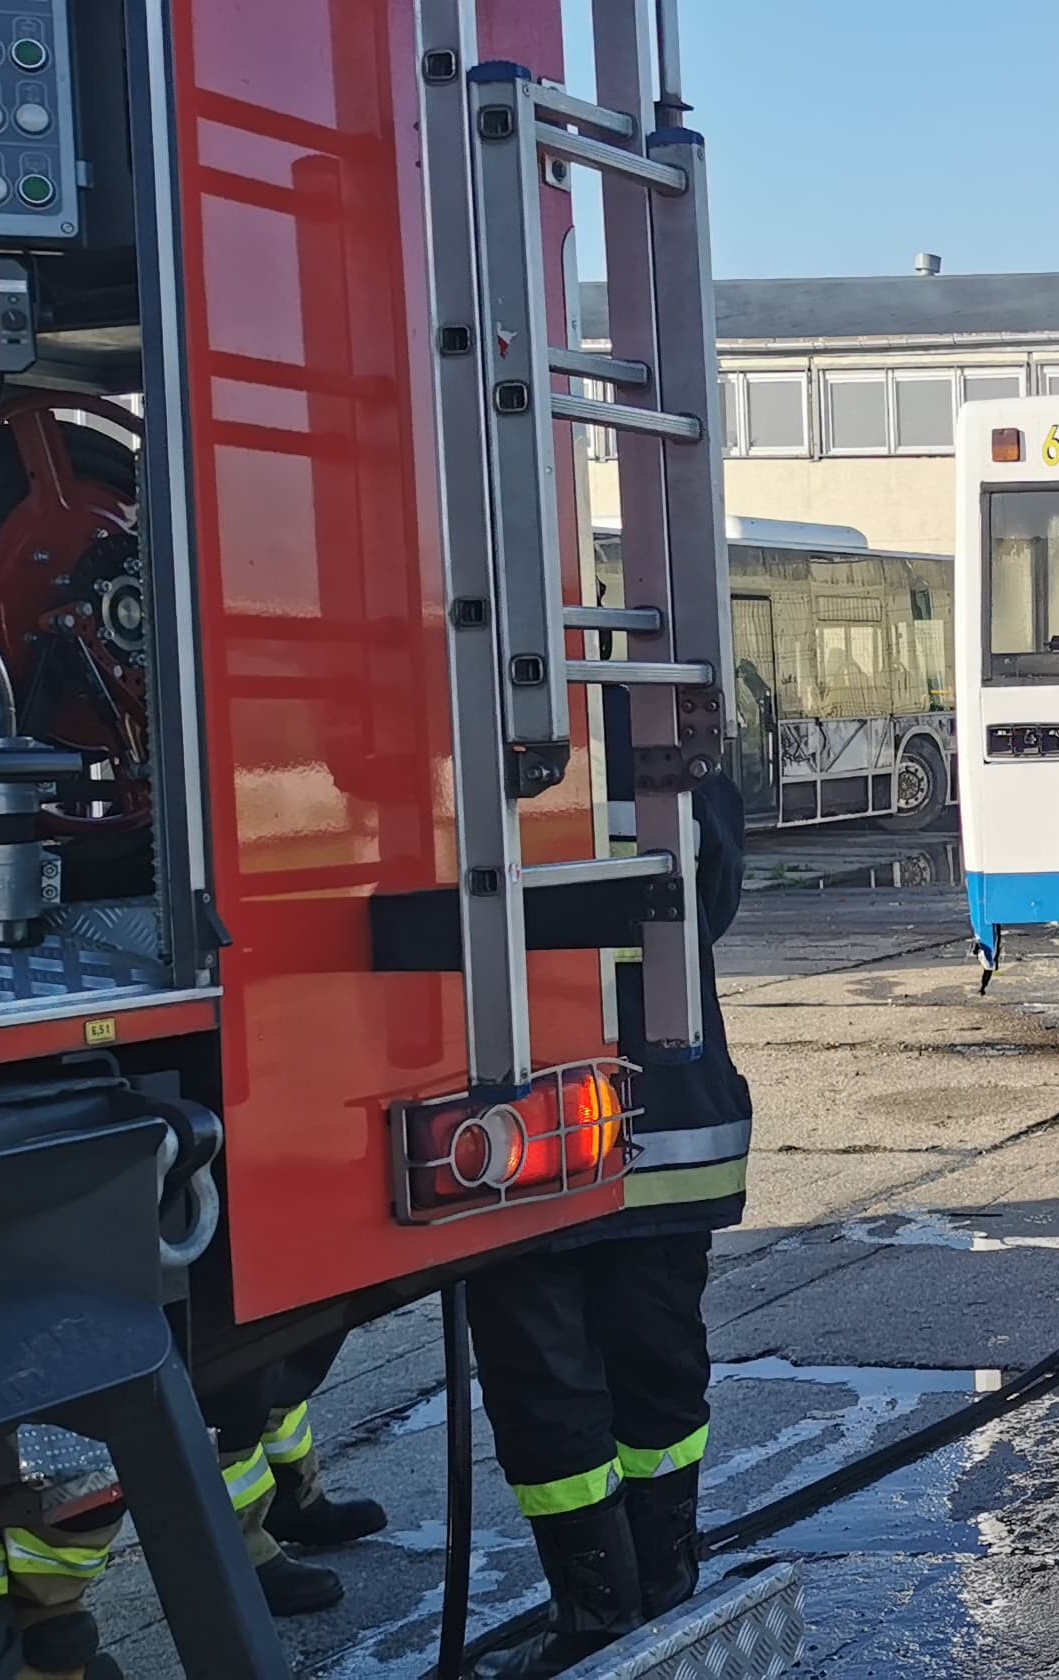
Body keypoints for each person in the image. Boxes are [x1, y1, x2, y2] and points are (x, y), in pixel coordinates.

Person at [464, 697, 754, 1678]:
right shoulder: (660, 718)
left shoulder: (459, 723)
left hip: (516, 1123)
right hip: (665, 1115)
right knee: (659, 1367)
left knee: (546, 1385)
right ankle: (663, 1591)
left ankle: (597, 1617)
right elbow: (714, 900)